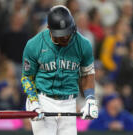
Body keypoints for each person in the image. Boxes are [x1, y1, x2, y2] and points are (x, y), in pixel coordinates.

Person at [21, 5, 98, 135]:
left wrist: (90, 99)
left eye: (67, 33)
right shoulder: (34, 44)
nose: (65, 38)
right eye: (60, 35)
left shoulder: (83, 44)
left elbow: (87, 74)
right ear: (49, 29)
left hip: (69, 101)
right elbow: (27, 77)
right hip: (43, 100)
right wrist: (34, 102)